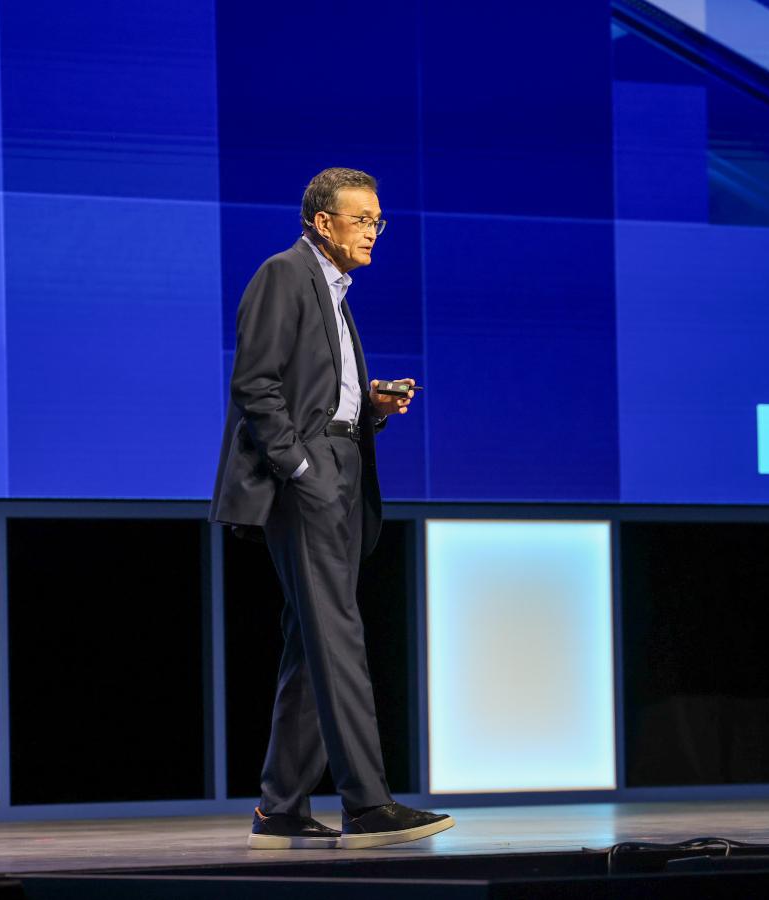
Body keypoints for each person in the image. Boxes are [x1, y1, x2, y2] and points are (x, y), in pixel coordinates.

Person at [210, 167, 454, 850]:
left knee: (311, 641)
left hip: (344, 464)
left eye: (378, 220)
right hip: (308, 478)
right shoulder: (285, 274)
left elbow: (318, 390)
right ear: (323, 222)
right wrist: (299, 466)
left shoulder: (334, 290)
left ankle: (280, 808)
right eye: (361, 219)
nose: (374, 231)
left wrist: (369, 405)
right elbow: (255, 383)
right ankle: (367, 804)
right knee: (338, 636)